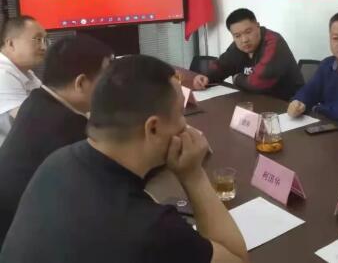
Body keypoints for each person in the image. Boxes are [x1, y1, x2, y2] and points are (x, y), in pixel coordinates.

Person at [0, 55, 248, 263]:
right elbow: (236, 259)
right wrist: (193, 176)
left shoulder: (57, 161)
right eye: (181, 115)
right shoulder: (152, 230)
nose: (185, 126)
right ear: (153, 128)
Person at [0, 35, 113, 246]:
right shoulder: (68, 129)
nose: (111, 88)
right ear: (80, 83)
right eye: (106, 80)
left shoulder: (36, 102)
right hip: (22, 239)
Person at [193, 8, 303, 100]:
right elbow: (222, 65)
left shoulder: (273, 43)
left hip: (288, 104)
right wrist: (205, 77)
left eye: (248, 32)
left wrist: (237, 78)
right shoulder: (239, 46)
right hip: (256, 99)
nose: (244, 40)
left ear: (258, 26)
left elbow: (257, 83)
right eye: (237, 36)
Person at [0, 16, 47, 146]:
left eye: (44, 40)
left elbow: (49, 106)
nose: (44, 47)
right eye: (37, 39)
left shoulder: (26, 73)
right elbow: (34, 122)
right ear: (11, 44)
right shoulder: (2, 74)